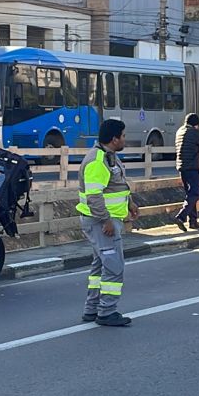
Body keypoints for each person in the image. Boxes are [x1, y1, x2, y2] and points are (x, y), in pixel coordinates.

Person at [77, 118, 138, 327]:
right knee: (114, 266)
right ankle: (106, 311)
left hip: (104, 221)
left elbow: (116, 185)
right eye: (123, 136)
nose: (125, 139)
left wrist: (130, 202)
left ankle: (92, 309)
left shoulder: (109, 157)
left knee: (100, 265)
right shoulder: (97, 161)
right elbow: (94, 196)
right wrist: (106, 221)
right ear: (114, 139)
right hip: (101, 222)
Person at [172, 113, 199, 232]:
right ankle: (181, 216)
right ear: (196, 124)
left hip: (182, 167)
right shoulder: (194, 132)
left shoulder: (179, 131)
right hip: (192, 167)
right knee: (195, 193)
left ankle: (193, 221)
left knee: (190, 195)